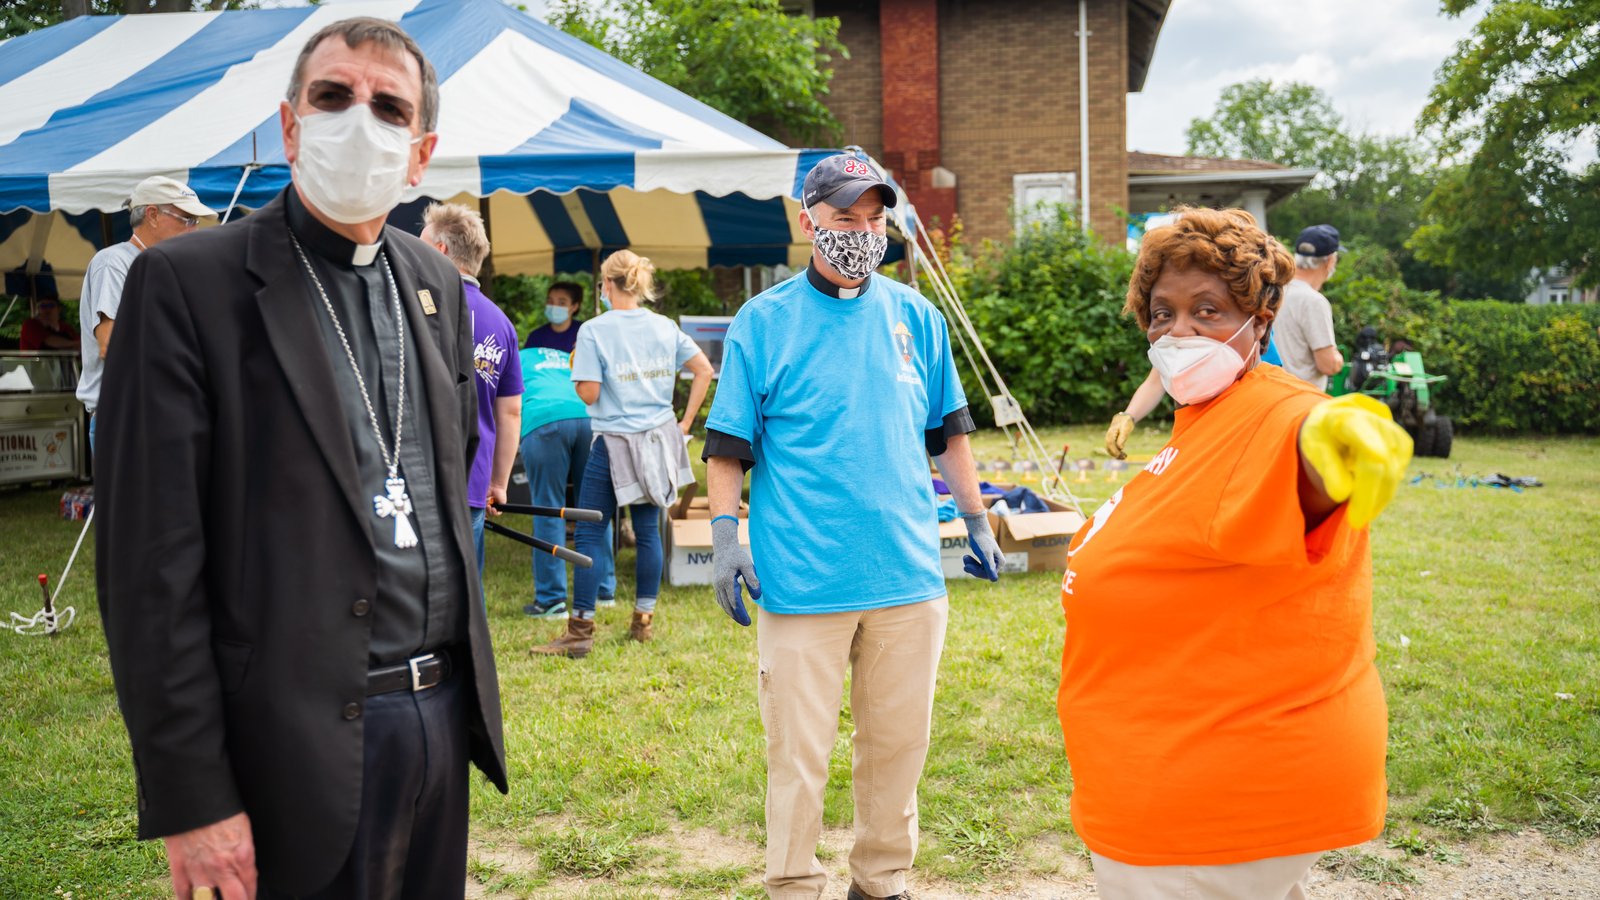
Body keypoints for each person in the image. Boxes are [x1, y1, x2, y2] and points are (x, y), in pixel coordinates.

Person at [95, 18, 506, 900]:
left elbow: (442, 470)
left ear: (420, 151)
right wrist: (193, 799)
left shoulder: (435, 286)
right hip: (292, 736)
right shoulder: (186, 286)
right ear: (290, 126)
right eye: (333, 96)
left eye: (388, 107)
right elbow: (149, 566)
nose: (359, 120)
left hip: (436, 716)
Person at [1058, 207, 1412, 899]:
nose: (1180, 331)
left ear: (1262, 317)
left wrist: (1332, 435)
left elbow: (1300, 450)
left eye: (1208, 310)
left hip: (1213, 804)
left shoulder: (1272, 412)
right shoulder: (1204, 418)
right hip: (1181, 790)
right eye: (1162, 313)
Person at [702, 154, 1005, 900]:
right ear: (810, 222)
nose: (861, 234)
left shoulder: (917, 317)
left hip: (907, 576)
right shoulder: (763, 323)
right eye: (845, 219)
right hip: (804, 581)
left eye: (874, 220)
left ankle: (880, 881)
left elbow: (951, 434)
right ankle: (795, 884)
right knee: (799, 758)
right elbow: (727, 447)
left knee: (898, 749)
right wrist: (723, 538)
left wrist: (977, 519)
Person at [531, 250, 712, 656]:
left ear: (607, 285)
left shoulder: (595, 330)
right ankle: (642, 623)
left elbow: (590, 392)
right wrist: (684, 425)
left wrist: (577, 377)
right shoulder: (664, 326)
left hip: (612, 442)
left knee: (592, 532)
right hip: (658, 439)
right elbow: (703, 369)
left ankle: (580, 631)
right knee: (648, 532)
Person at [420, 202, 523, 574]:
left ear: (441, 249)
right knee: (465, 591)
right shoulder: (501, 324)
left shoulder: (416, 308)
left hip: (417, 473)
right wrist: (498, 480)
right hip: (473, 479)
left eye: (421, 245)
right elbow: (510, 412)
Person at [76, 175, 214, 451]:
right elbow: (110, 345)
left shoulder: (169, 269)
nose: (195, 229)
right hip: (126, 419)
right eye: (187, 219)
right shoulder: (114, 263)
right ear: (152, 214)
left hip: (164, 415)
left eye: (197, 222)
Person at [517, 294, 619, 619]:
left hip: (545, 422)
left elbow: (505, 401)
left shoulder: (521, 356)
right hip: (586, 417)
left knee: (549, 507)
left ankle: (551, 600)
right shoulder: (567, 357)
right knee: (593, 508)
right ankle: (604, 590)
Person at [1104, 335, 1284, 459]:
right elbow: (1155, 380)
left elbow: (1269, 384)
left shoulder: (1243, 333)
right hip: (1189, 438)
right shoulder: (1175, 329)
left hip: (1238, 436)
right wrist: (1127, 416)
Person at [1274, 223, 1345, 391]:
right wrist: (1337, 359)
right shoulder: (1313, 301)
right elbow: (1327, 365)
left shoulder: (1275, 290)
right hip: (1302, 401)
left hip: (1273, 396)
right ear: (1329, 261)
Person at [523, 280, 586, 353]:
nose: (554, 306)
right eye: (550, 301)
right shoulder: (536, 336)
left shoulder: (585, 333)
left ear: (574, 306)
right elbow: (527, 361)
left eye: (562, 303)